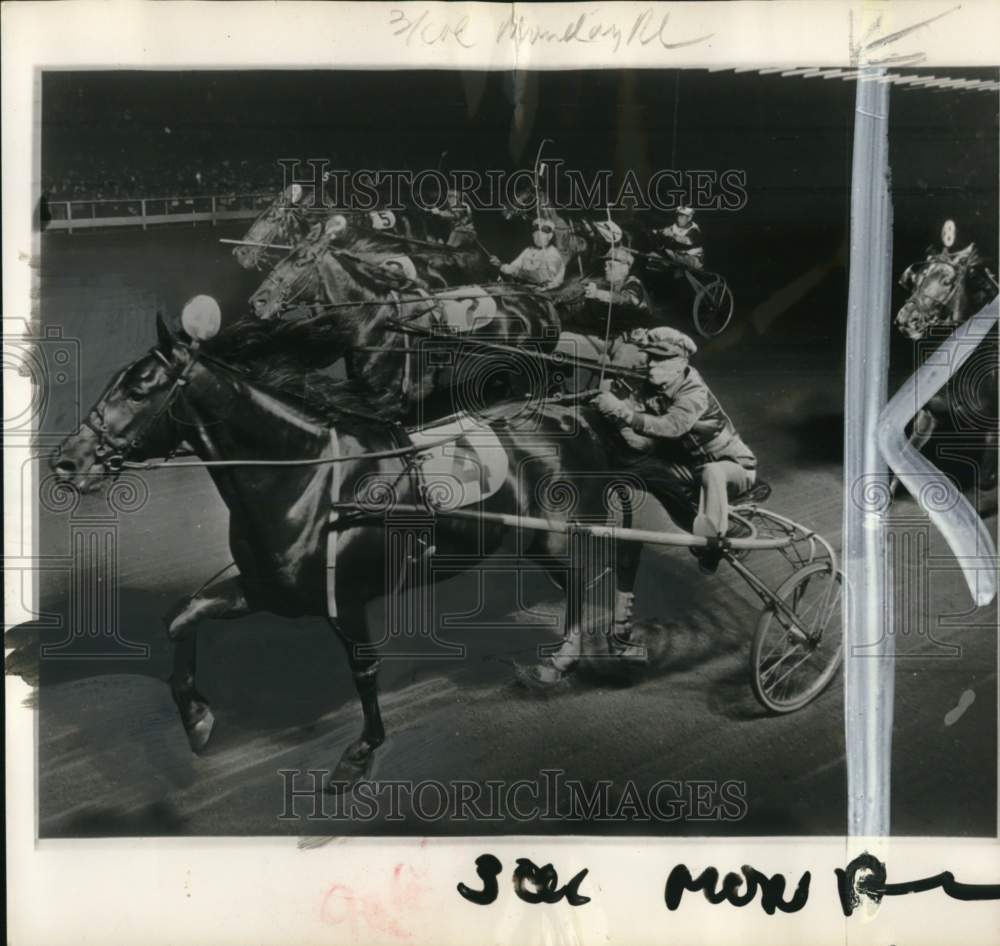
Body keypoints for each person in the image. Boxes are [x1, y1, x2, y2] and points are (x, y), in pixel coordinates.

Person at [593, 326, 757, 573]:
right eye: (650, 358)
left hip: (734, 467)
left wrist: (621, 411)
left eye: (660, 360)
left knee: (712, 471)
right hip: (689, 464)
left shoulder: (695, 393)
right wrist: (608, 408)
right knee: (643, 469)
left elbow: (670, 427)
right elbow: (630, 409)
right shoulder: (653, 386)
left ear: (680, 363)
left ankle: (715, 543)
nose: (651, 365)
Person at [491, 218, 566, 290]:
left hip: (546, 293)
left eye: (543, 233)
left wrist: (517, 272)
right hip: (526, 290)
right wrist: (500, 264)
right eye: (536, 232)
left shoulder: (553, 253)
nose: (538, 236)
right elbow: (513, 267)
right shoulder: (528, 251)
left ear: (550, 236)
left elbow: (542, 277)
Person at [584, 246, 648, 313]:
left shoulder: (633, 283)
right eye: (605, 265)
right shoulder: (614, 284)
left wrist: (597, 293)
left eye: (610, 265)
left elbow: (627, 299)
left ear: (624, 269)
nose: (605, 269)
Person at [655, 205, 705, 270]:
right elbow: (664, 231)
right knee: (664, 251)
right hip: (680, 256)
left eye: (682, 216)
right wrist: (656, 232)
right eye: (678, 216)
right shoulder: (675, 226)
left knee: (670, 256)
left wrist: (672, 235)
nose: (679, 219)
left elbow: (687, 241)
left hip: (694, 259)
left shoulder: (694, 229)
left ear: (689, 218)